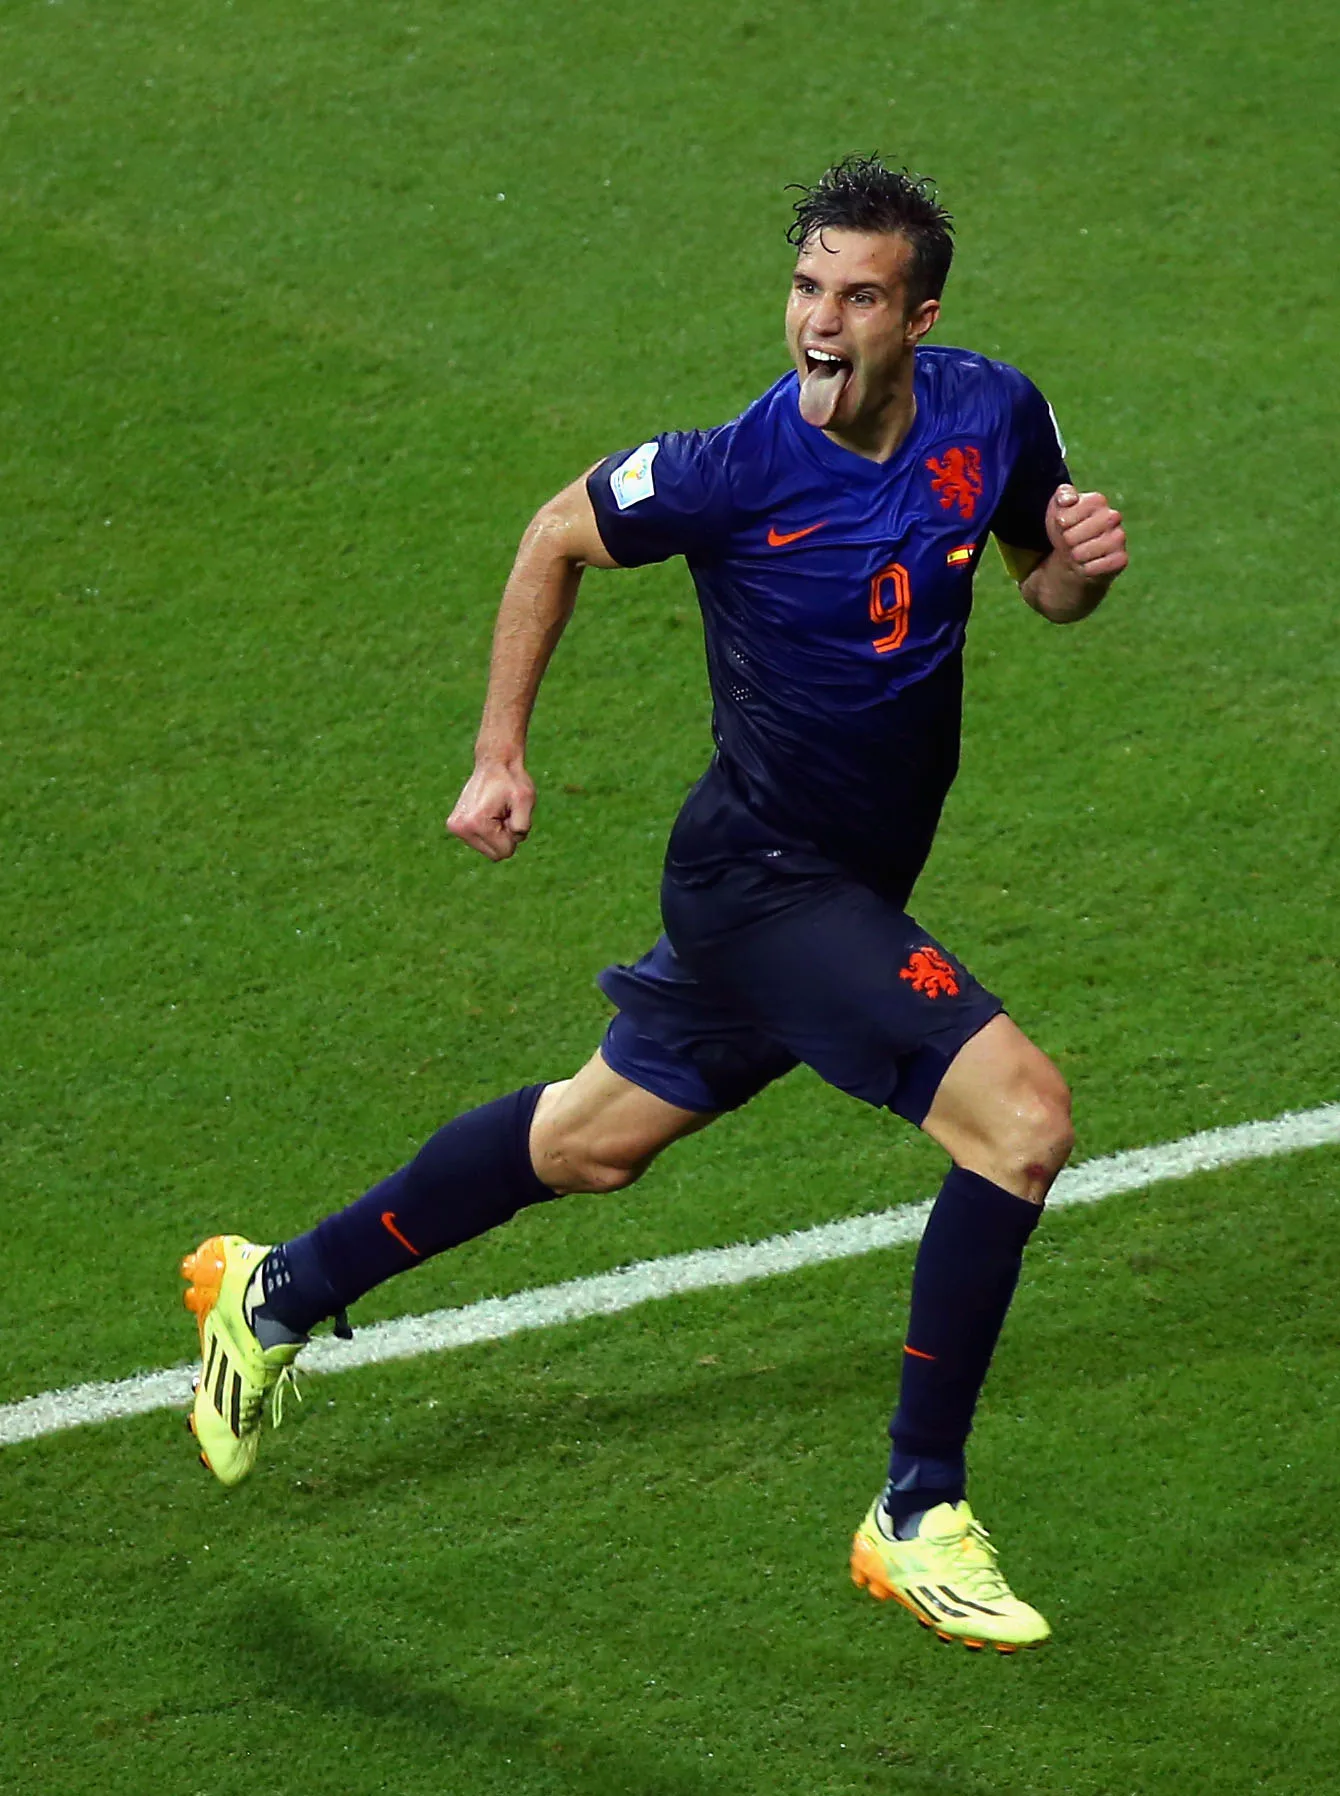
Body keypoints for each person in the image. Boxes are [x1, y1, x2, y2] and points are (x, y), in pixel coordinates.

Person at [180, 156, 1128, 1653]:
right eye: (806, 288)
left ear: (919, 317)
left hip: (848, 882)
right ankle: (916, 1510)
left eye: (857, 296)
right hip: (761, 882)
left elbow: (1040, 584)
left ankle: (279, 1289)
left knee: (589, 1142)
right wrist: (500, 754)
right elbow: (554, 533)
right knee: (1022, 1121)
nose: (820, 321)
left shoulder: (993, 411)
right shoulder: (734, 468)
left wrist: (1079, 573)